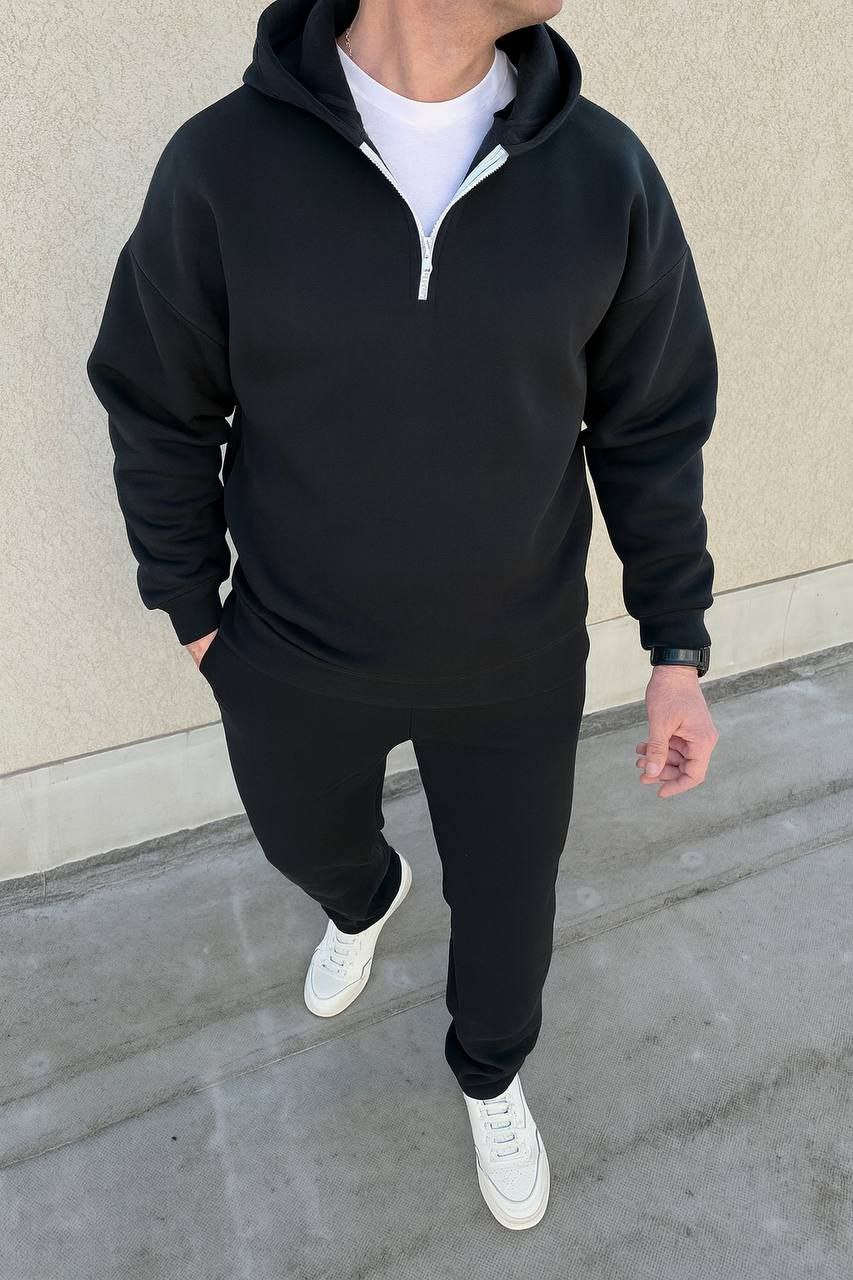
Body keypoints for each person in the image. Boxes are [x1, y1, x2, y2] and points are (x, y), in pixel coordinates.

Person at [86, 0, 720, 1231]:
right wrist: (197, 615)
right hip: (290, 650)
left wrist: (676, 644)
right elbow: (158, 403)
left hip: (515, 658)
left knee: (509, 920)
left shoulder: (603, 174)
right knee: (302, 841)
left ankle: (489, 1072)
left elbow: (649, 424)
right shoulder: (222, 165)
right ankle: (365, 895)